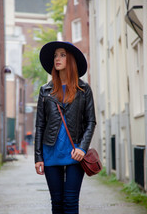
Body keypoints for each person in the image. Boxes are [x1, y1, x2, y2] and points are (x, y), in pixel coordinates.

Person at [35, 41, 96, 214]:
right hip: (50, 152)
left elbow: (91, 121)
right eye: (55, 55)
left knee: (70, 202)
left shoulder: (83, 89)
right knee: (57, 203)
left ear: (70, 60)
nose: (57, 58)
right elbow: (40, 125)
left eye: (62, 55)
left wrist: (82, 148)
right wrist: (38, 157)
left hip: (75, 153)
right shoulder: (45, 90)